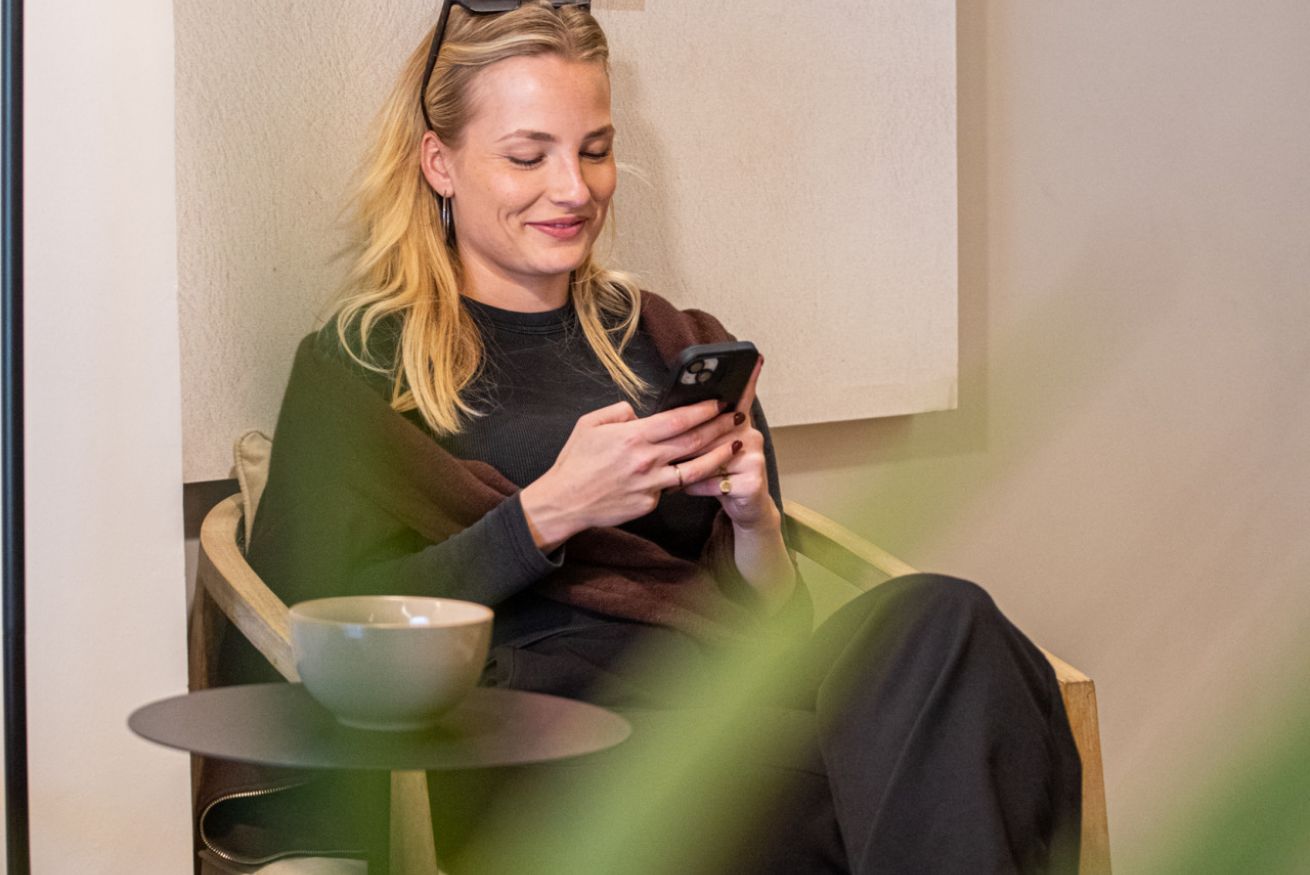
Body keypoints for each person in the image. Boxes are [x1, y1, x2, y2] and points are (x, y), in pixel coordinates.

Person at [200, 2, 1083, 872]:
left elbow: (775, 635)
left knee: (945, 619)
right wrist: (546, 514)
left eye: (594, 150)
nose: (573, 189)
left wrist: (755, 524)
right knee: (943, 769)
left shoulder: (665, 339)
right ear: (440, 162)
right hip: (541, 749)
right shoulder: (360, 364)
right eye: (528, 156)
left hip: (726, 719)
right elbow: (320, 629)